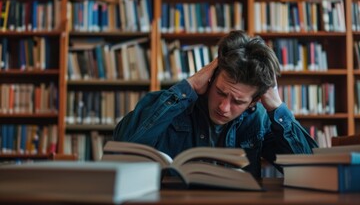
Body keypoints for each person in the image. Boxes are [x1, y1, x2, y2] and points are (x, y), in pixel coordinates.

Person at [113, 30, 318, 178]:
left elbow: (310, 172)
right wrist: (190, 85)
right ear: (210, 78)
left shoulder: (259, 119)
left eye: (238, 101)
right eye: (220, 92)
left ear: (254, 101)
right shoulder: (170, 105)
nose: (224, 107)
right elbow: (121, 152)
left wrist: (277, 108)